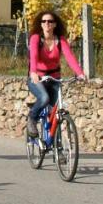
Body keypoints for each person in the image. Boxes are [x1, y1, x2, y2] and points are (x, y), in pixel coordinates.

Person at [26, 9, 87, 137]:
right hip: (38, 78)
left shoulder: (60, 40)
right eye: (44, 21)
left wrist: (80, 73)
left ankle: (57, 149)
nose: (47, 24)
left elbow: (70, 57)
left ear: (55, 24)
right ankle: (32, 118)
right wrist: (33, 73)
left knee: (55, 113)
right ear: (41, 24)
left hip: (54, 78)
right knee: (44, 98)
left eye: (50, 21)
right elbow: (34, 56)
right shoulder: (36, 38)